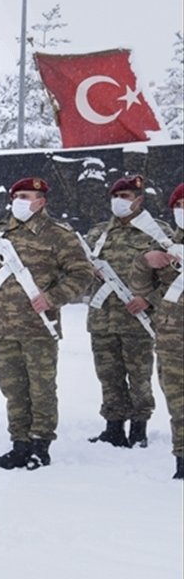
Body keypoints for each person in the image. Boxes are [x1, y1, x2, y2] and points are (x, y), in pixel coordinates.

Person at [0, 177, 92, 470]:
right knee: (13, 389)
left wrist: (52, 297)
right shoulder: (2, 233)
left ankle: (40, 446)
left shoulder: (59, 235)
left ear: (41, 201)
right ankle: (19, 444)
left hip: (38, 327)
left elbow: (82, 274)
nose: (18, 200)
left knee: (41, 389)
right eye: (16, 195)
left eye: (25, 195)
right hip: (4, 326)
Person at [83, 175, 169, 450]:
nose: (119, 202)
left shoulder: (157, 232)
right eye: (116, 197)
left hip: (138, 322)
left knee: (139, 376)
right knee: (108, 375)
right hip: (102, 318)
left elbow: (174, 278)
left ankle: (139, 428)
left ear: (139, 200)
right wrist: (89, 270)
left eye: (126, 197)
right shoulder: (98, 233)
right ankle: (113, 428)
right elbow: (76, 272)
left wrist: (149, 299)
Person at [130, 183, 184, 479]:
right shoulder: (164, 245)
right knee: (179, 404)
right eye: (180, 206)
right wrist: (144, 263)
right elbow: (140, 289)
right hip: (172, 340)